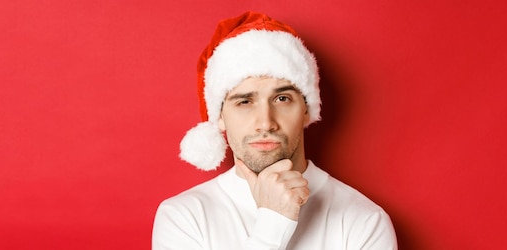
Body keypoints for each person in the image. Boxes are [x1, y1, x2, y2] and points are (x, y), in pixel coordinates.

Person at [152, 11, 397, 250]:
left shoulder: (364, 221)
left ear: (306, 109)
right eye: (244, 102)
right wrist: (274, 223)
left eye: (281, 99)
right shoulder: (183, 218)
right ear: (220, 118)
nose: (266, 122)